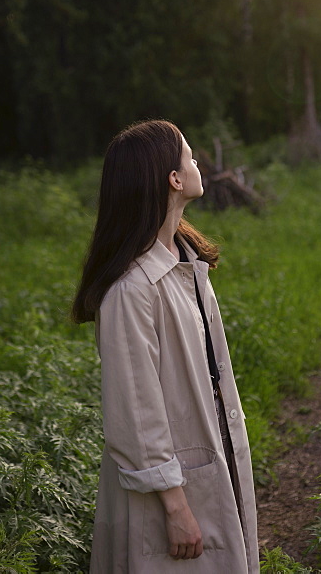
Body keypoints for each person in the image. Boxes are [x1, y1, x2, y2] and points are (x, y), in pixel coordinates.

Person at [72, 120, 259, 572]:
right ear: (174, 180)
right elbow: (137, 413)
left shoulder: (186, 262)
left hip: (209, 454)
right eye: (190, 158)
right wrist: (176, 509)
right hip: (167, 496)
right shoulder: (131, 289)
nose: (196, 164)